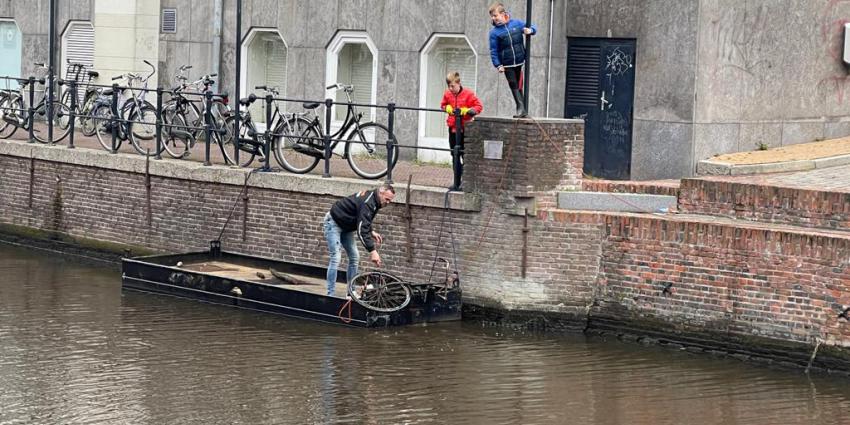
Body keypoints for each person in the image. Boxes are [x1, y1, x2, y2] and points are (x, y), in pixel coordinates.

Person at [323, 183, 396, 296]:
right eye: (387, 199)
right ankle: (330, 294)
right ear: (381, 192)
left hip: (346, 225)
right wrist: (373, 251)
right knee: (336, 258)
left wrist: (371, 231)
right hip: (334, 222)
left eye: (390, 201)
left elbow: (363, 218)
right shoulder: (369, 202)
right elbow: (361, 230)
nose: (388, 202)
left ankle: (350, 293)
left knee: (354, 257)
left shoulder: (375, 200)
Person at [488, 2, 537, 118]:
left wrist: (531, 31)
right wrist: (498, 65)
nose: (493, 18)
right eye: (492, 16)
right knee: (513, 84)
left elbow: (533, 26)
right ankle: (520, 108)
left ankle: (523, 109)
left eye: (495, 15)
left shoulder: (516, 23)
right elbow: (493, 50)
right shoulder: (494, 33)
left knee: (519, 84)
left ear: (503, 14)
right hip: (507, 63)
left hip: (520, 60)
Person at [440, 71, 483, 192]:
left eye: (452, 86)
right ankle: (456, 182)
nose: (450, 88)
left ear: (458, 83)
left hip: (465, 130)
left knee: (465, 156)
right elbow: (443, 105)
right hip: (453, 129)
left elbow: (479, 107)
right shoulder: (448, 94)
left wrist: (468, 111)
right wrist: (446, 108)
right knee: (454, 155)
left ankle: (465, 182)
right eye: (449, 86)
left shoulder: (468, 94)